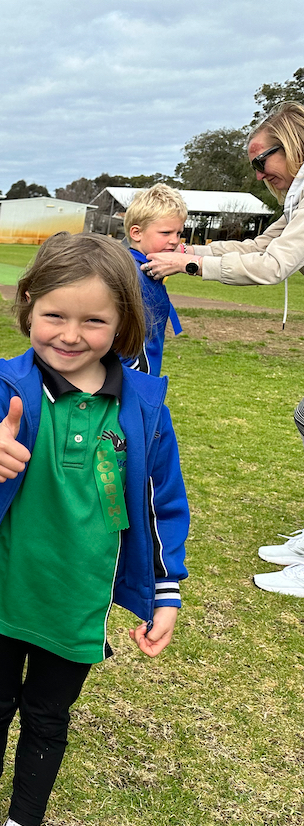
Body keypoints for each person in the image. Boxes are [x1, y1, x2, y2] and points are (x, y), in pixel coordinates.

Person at [0, 232, 189, 826]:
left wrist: (165, 593)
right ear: (28, 308)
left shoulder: (147, 408)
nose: (70, 335)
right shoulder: (10, 382)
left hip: (78, 596)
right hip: (3, 586)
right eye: (55, 315)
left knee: (47, 717)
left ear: (124, 322)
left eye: (93, 319)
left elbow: (163, 506)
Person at [141, 102, 304, 593]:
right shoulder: (296, 200)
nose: (259, 174)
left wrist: (185, 266)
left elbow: (273, 265)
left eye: (263, 160)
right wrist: (188, 251)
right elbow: (255, 246)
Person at [122, 183, 188, 376]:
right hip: (131, 381)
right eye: (166, 233)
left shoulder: (150, 269)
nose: (175, 240)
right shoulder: (130, 274)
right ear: (136, 233)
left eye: (178, 233)